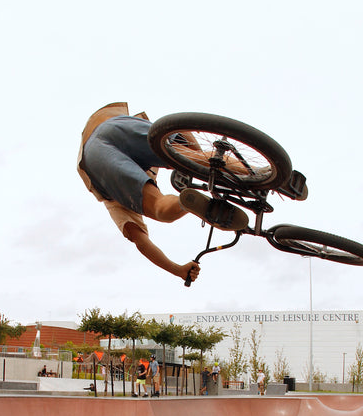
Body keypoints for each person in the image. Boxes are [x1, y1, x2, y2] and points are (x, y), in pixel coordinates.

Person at [77, 102, 249, 283]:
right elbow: (184, 135)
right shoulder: (121, 193)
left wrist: (178, 271)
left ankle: (184, 203)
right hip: (115, 123)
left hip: (94, 157)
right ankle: (261, 173)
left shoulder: (115, 196)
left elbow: (141, 241)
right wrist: (202, 166)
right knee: (198, 159)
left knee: (160, 208)